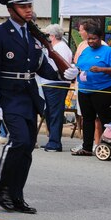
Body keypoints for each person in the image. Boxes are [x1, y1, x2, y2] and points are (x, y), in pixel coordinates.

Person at [0, 0, 79, 213]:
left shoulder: (33, 35)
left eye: (30, 6)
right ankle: (2, 184)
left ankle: (16, 194)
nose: (29, 10)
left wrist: (61, 74)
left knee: (27, 147)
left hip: (28, 96)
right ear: (11, 9)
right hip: (7, 95)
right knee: (18, 140)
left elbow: (41, 67)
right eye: (23, 6)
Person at [71, 21, 111, 156]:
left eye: (94, 38)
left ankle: (109, 146)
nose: (91, 41)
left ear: (100, 38)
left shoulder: (109, 51)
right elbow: (79, 65)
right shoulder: (85, 51)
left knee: (105, 118)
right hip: (84, 89)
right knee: (87, 119)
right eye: (89, 39)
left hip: (103, 89)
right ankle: (87, 147)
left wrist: (101, 69)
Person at [39, 23, 74, 152]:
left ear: (52, 36)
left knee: (54, 113)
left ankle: (55, 142)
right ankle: (52, 140)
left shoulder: (60, 48)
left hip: (56, 83)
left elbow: (59, 67)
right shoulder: (57, 47)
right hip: (51, 83)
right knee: (50, 112)